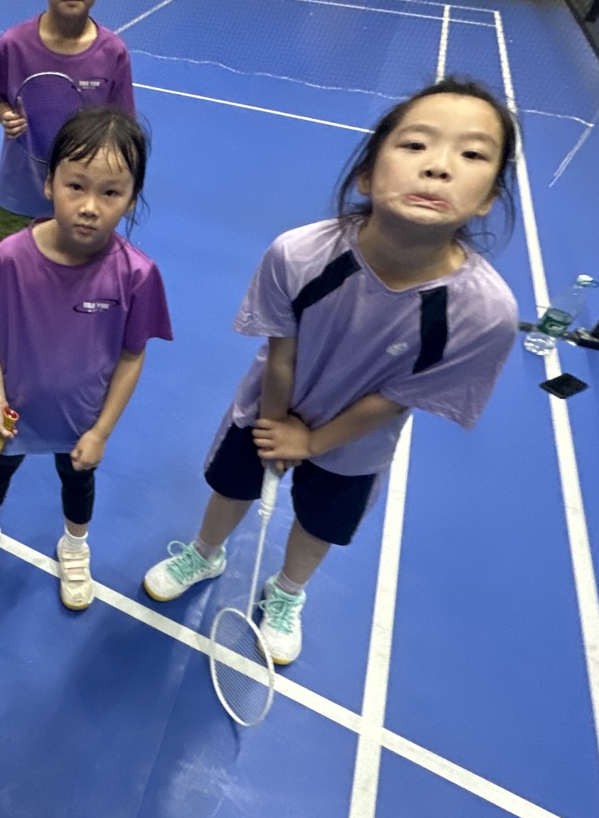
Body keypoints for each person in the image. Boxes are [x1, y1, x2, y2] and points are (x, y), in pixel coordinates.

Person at [141, 79, 521, 664]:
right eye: (415, 145)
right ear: (366, 176)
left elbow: (398, 396)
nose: (439, 167)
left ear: (489, 197)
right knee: (231, 487)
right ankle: (205, 552)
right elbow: (282, 352)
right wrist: (277, 429)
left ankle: (287, 592)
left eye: (471, 154)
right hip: (270, 407)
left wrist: (314, 442)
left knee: (320, 524)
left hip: (357, 443)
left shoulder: (484, 313)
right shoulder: (300, 255)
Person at [0, 107, 172, 609]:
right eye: (76, 186)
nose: (90, 206)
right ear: (49, 183)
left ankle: (74, 545)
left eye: (110, 192)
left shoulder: (137, 276)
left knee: (77, 483)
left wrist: (101, 432)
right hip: (10, 415)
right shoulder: (9, 258)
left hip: (81, 422)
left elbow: (132, 356)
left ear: (131, 197)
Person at [0, 0, 136, 242]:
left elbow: (123, 131)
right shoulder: (12, 44)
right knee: (10, 272)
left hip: (82, 202)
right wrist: (5, 116)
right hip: (17, 198)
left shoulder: (114, 54)